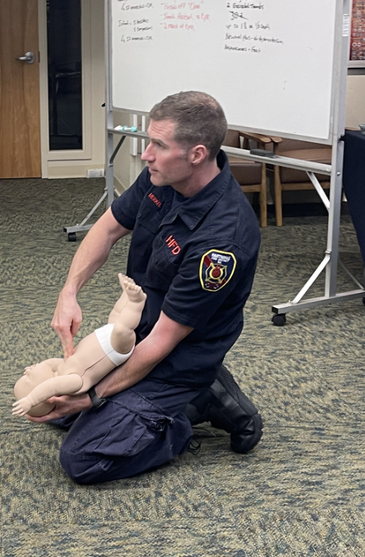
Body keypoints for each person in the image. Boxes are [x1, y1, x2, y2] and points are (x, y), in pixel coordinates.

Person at [35, 91, 263, 485]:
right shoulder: (162, 177)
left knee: (82, 458)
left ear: (196, 154)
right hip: (136, 332)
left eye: (158, 145)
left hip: (176, 356)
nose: (146, 155)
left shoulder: (222, 243)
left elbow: (161, 343)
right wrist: (68, 293)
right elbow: (106, 229)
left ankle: (190, 408)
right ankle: (176, 400)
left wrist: (94, 396)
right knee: (55, 407)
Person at [13, 274, 146, 418]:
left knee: (117, 313)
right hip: (115, 348)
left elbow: (49, 363)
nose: (26, 372)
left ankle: (127, 292)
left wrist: (36, 371)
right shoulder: (73, 384)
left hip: (105, 335)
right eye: (28, 378)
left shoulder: (61, 368)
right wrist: (31, 400)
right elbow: (53, 386)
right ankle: (136, 302)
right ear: (47, 395)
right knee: (122, 328)